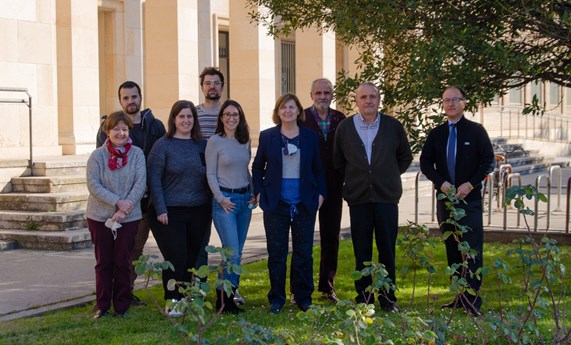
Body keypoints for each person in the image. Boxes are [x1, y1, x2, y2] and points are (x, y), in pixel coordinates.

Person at [333, 82, 412, 312]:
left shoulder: (393, 126)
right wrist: (357, 179)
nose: (368, 101)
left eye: (372, 96)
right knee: (362, 250)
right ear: (356, 101)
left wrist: (386, 174)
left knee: (387, 250)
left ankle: (388, 298)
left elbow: (405, 157)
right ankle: (364, 298)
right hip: (358, 199)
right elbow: (338, 162)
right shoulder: (346, 128)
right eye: (363, 97)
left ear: (379, 100)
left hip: (387, 198)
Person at [419, 86, 494, 315]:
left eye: (455, 99)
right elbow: (425, 163)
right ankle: (459, 296)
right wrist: (440, 183)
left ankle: (473, 301)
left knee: (471, 250)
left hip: (468, 200)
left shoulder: (476, 131)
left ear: (464, 103)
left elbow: (488, 161)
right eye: (446, 100)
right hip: (446, 201)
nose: (450, 104)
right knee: (452, 249)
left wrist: (470, 184)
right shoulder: (437, 134)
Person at [252, 93, 327, 314]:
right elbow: (258, 167)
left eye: (292, 107)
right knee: (277, 254)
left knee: (304, 253)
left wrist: (321, 194)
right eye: (283, 108)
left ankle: (304, 298)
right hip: (276, 203)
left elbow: (318, 169)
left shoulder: (310, 137)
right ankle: (277, 298)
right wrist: (258, 193)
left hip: (304, 202)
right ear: (277, 112)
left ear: (299, 111)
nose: (288, 111)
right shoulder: (268, 137)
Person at [96, 81, 166, 306]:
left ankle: (131, 292)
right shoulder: (109, 126)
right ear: (120, 101)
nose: (130, 101)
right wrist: (118, 202)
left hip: (149, 200)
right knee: (121, 252)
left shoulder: (155, 126)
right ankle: (118, 294)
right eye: (125, 98)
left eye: (134, 97)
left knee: (138, 249)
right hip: (117, 203)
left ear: (141, 97)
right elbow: (102, 163)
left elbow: (161, 160)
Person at [147, 100, 212, 317]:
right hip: (169, 211)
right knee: (176, 256)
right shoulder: (163, 145)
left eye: (190, 117)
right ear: (174, 119)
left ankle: (187, 296)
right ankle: (172, 298)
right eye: (182, 116)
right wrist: (160, 209)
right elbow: (154, 180)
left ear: (195, 120)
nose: (186, 120)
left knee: (193, 256)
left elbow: (210, 176)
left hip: (199, 210)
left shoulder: (202, 145)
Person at [86, 111, 147, 319]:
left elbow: (140, 183)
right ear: (107, 131)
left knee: (123, 261)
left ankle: (122, 306)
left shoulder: (137, 154)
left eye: (124, 129)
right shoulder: (97, 156)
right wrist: (116, 202)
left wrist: (124, 208)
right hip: (99, 216)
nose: (121, 133)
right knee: (104, 262)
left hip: (129, 217)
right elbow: (93, 184)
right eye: (116, 129)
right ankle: (102, 305)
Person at [298, 78, 345, 303]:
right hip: (307, 186)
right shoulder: (301, 118)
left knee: (331, 237)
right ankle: (298, 289)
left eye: (327, 92)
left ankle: (327, 287)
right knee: (301, 239)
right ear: (311, 95)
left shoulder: (340, 119)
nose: (322, 96)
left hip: (334, 187)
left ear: (332, 95)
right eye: (318, 92)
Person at [205, 100, 254, 314]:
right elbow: (210, 173)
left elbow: (246, 170)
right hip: (225, 202)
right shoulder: (215, 141)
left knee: (238, 253)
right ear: (221, 117)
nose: (231, 118)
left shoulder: (245, 141)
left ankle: (231, 295)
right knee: (231, 252)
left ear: (240, 116)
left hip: (244, 201)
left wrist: (253, 192)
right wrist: (220, 198)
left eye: (235, 114)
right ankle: (222, 299)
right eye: (227, 114)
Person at [194, 67, 224, 292]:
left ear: (222, 87)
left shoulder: (230, 112)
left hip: (226, 183)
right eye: (208, 83)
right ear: (202, 86)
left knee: (230, 241)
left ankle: (229, 286)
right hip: (199, 183)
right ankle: (199, 287)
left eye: (216, 83)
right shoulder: (193, 114)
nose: (212, 87)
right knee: (200, 239)